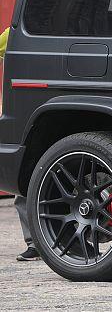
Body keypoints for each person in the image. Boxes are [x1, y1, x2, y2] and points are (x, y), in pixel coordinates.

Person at [0, 27, 34, 262]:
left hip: (31, 118)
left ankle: (37, 243)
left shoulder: (17, 31)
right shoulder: (16, 32)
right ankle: (36, 243)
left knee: (26, 184)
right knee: (24, 186)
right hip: (24, 116)